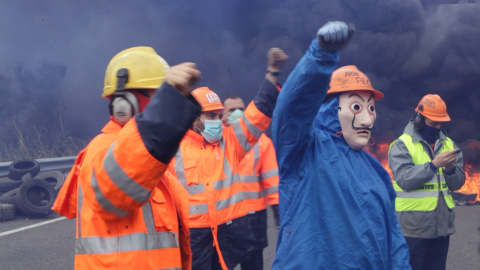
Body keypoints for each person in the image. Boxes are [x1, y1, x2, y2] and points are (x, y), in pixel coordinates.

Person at [271, 21, 411, 269]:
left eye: (371, 108)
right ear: (329, 108)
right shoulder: (304, 151)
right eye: (356, 107)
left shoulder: (377, 171)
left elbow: (394, 239)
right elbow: (292, 109)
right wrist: (320, 55)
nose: (367, 119)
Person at [52, 47, 202, 270]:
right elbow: (117, 191)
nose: (163, 104)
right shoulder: (101, 150)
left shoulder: (151, 156)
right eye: (158, 96)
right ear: (124, 103)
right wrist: (166, 110)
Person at [164, 48, 287, 270]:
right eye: (211, 116)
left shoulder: (230, 142)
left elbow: (258, 114)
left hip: (225, 236)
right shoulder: (173, 148)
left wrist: (272, 73)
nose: (218, 122)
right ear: (194, 118)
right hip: (193, 240)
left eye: (220, 116)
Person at [388, 94, 465, 270]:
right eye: (433, 123)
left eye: (441, 124)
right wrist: (433, 165)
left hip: (441, 228)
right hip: (413, 229)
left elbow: (457, 184)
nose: (438, 128)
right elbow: (405, 179)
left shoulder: (449, 145)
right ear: (418, 120)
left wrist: (450, 170)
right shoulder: (401, 145)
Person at [222, 94, 281, 270]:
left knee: (253, 264)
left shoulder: (262, 142)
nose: (238, 112)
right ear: (223, 114)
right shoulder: (216, 141)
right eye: (232, 109)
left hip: (253, 217)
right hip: (226, 217)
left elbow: (272, 180)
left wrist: (278, 211)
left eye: (241, 108)